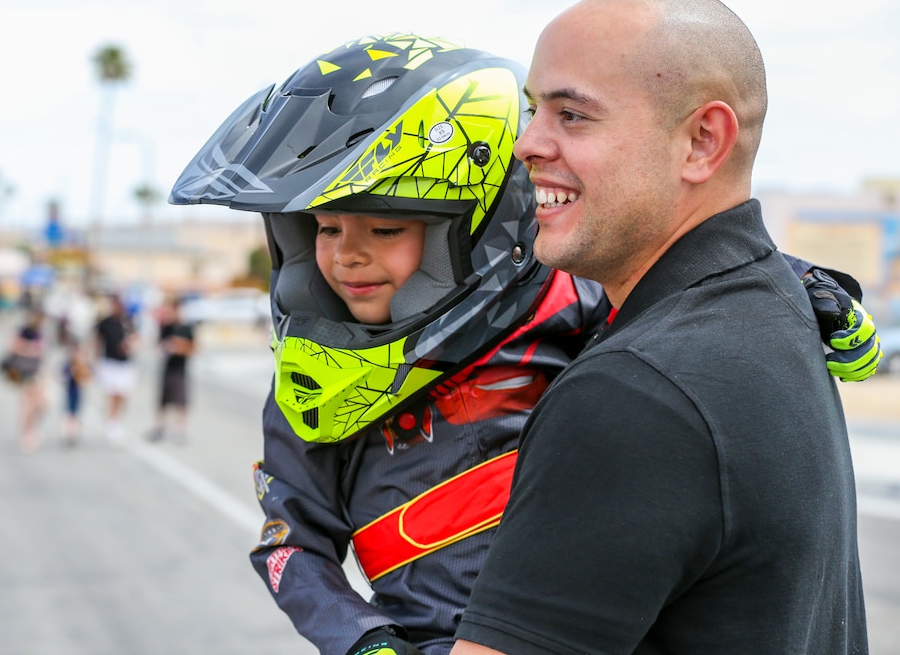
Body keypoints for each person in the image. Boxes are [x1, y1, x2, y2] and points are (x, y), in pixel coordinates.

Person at [169, 33, 878, 655]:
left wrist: (803, 283)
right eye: (324, 231)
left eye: (384, 230)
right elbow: (289, 542)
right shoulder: (310, 382)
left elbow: (668, 285)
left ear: (471, 232)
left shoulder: (556, 299)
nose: (345, 255)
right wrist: (364, 640)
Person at [451, 0, 869, 654]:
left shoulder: (635, 390)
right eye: (534, 112)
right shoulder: (777, 304)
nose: (526, 144)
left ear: (702, 141)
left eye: (572, 115)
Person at [146, 297, 195, 444]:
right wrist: (166, 348)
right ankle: (160, 427)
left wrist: (179, 347)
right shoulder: (166, 328)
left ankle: (180, 430)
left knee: (181, 401)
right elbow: (158, 347)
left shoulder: (187, 328)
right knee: (163, 400)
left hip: (180, 369)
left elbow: (193, 348)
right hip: (168, 368)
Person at [93, 293, 137, 442]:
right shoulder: (105, 323)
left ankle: (114, 419)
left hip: (124, 363)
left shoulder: (127, 321)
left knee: (122, 394)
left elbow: (135, 339)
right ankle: (111, 421)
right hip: (109, 362)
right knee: (112, 393)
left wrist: (130, 345)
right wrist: (95, 362)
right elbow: (97, 342)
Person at [10, 310, 46, 453]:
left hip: (37, 370)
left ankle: (30, 429)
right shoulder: (24, 332)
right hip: (25, 371)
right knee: (28, 404)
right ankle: (27, 433)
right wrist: (30, 349)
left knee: (42, 404)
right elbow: (14, 347)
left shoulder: (40, 332)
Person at [60, 336, 90, 446]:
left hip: (78, 393)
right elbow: (62, 377)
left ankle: (74, 433)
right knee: (69, 413)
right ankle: (68, 433)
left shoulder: (83, 365)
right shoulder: (68, 365)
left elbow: (87, 378)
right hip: (69, 393)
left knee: (76, 413)